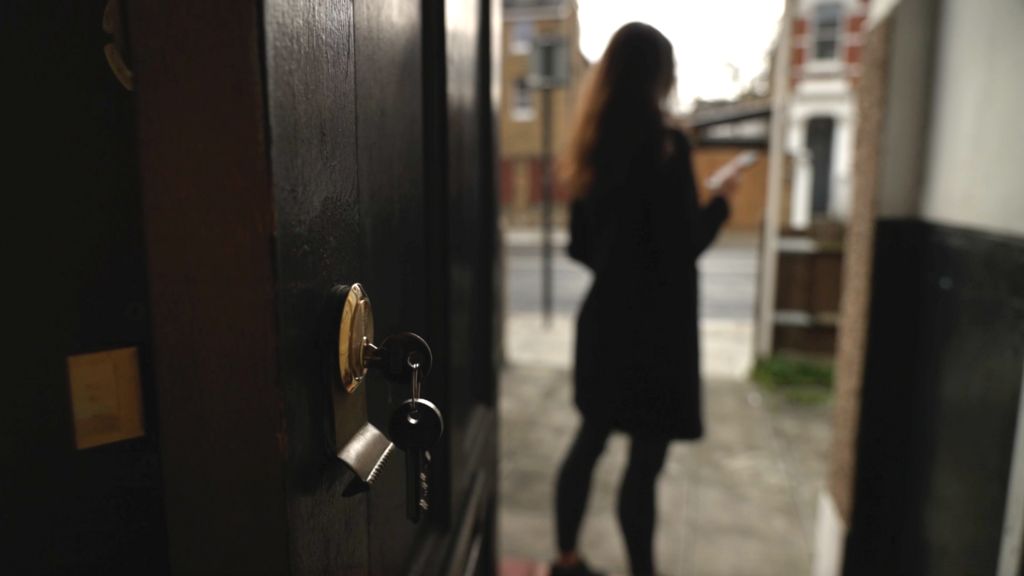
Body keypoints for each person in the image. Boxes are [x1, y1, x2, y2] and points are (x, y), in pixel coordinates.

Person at [552, 22, 741, 576]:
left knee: (588, 443)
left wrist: (621, 263)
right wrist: (723, 200)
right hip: (659, 334)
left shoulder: (591, 145)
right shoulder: (668, 144)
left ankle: (565, 559)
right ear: (662, 75)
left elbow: (580, 247)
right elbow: (684, 247)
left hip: (607, 324)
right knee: (643, 467)